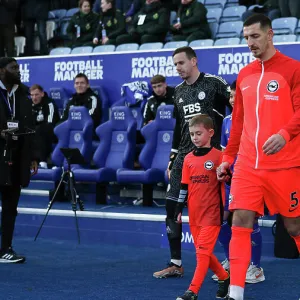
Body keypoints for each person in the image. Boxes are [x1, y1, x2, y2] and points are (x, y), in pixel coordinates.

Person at [216, 14, 300, 300]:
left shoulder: (293, 69)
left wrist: (285, 134)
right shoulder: (244, 75)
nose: (250, 42)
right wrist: (228, 157)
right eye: (246, 37)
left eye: (254, 36)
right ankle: (236, 293)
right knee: (239, 220)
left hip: (285, 165)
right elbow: (237, 121)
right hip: (247, 166)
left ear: (270, 35)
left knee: (294, 226)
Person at [153, 46, 230, 279]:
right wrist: (172, 157)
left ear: (194, 61)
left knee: (216, 213)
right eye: (175, 64)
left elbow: (238, 107)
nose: (178, 68)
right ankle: (176, 263)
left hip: (210, 158)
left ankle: (231, 260)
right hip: (183, 159)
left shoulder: (214, 83)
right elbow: (179, 127)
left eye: (181, 63)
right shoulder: (177, 92)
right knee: (171, 208)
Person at [212, 81, 265, 284]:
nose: (233, 100)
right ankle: (231, 261)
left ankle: (256, 267)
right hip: (229, 179)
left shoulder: (257, 118)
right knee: (221, 219)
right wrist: (224, 167)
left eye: (237, 95)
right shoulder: (226, 120)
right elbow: (227, 150)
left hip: (251, 178)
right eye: (231, 96)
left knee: (250, 222)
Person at [175, 114, 230, 300]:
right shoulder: (188, 159)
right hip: (194, 214)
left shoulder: (220, 156)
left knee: (202, 253)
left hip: (213, 213)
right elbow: (184, 186)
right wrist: (178, 210)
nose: (195, 137)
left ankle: (192, 291)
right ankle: (224, 277)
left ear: (211, 133)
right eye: (192, 134)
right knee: (203, 252)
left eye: (198, 133)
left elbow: (228, 179)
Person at [0, 57, 39, 263]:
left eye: (18, 67)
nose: (18, 70)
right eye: (13, 67)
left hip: (17, 156)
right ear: (1, 71)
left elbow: (31, 127)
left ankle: (5, 248)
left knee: (10, 206)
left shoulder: (23, 93)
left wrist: (33, 156)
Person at [30, 84, 60, 169]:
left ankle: (43, 162)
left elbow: (50, 122)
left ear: (42, 94)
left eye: (36, 95)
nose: (34, 98)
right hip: (37, 132)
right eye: (32, 95)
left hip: (53, 132)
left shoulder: (49, 104)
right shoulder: (30, 105)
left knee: (41, 129)